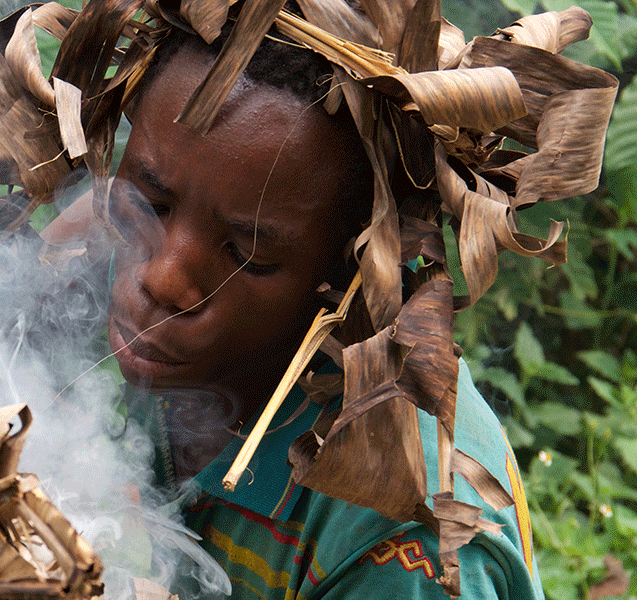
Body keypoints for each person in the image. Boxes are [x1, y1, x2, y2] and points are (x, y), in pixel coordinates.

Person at [42, 14, 543, 600]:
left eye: (249, 255)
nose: (163, 279)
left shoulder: (407, 534)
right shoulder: (117, 249)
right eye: (151, 203)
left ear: (353, 274)